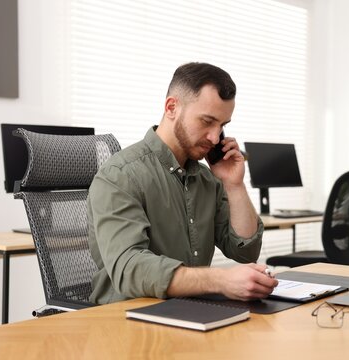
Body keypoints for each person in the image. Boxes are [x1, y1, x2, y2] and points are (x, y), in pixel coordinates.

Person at [87, 62, 278, 304]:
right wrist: (220, 280)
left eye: (222, 126)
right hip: (128, 319)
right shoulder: (120, 176)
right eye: (207, 121)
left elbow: (245, 251)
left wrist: (234, 185)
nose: (214, 137)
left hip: (189, 312)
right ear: (171, 108)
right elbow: (129, 269)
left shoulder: (208, 179)